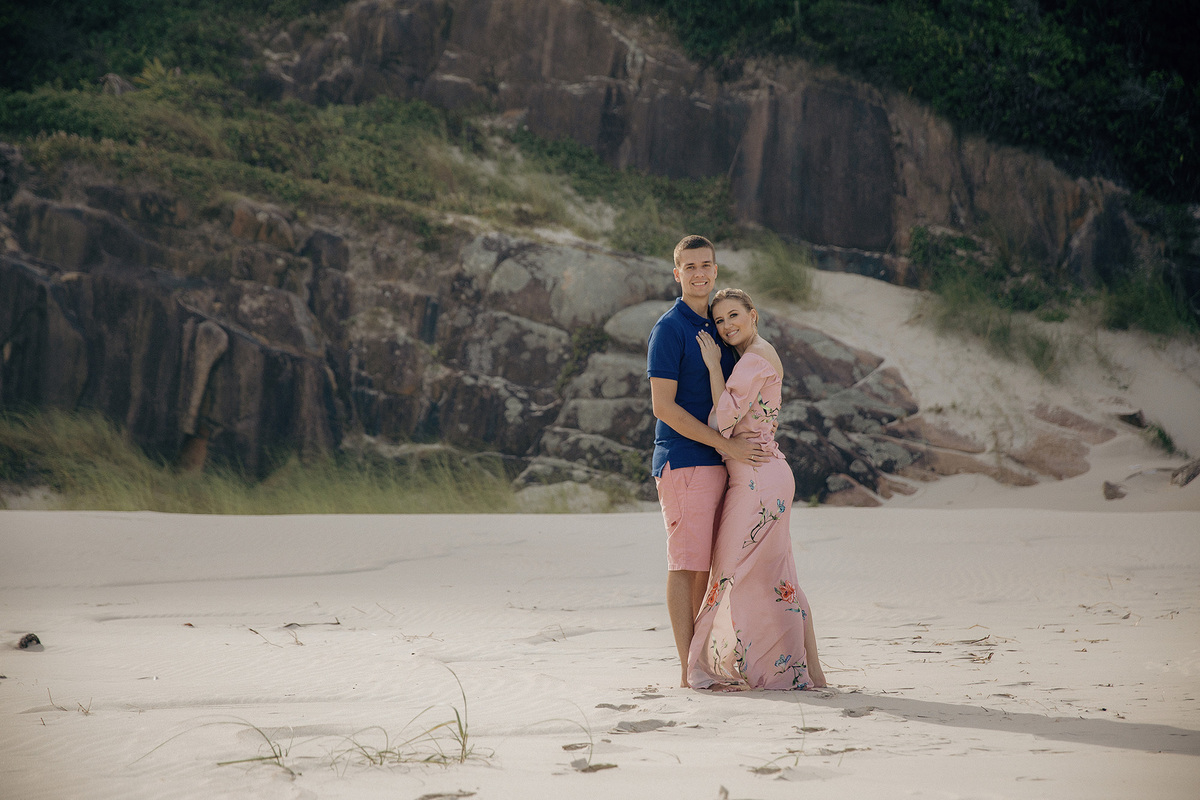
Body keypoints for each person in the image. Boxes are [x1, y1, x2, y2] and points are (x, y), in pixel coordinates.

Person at [687, 288, 827, 691]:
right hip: (765, 474)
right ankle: (810, 672)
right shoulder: (760, 354)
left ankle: (707, 665)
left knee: (730, 570)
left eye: (734, 315)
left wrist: (712, 367)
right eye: (719, 321)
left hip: (757, 479)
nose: (726, 326)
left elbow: (722, 421)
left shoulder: (753, 358)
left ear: (753, 315)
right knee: (779, 576)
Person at [648, 236, 768, 689]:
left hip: (719, 464)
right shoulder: (669, 329)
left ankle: (700, 661)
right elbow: (664, 407)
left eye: (706, 265)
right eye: (690, 266)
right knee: (686, 564)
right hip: (684, 462)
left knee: (708, 568)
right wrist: (726, 445)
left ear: (715, 270)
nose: (699, 273)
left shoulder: (720, 325)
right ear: (677, 273)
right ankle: (689, 670)